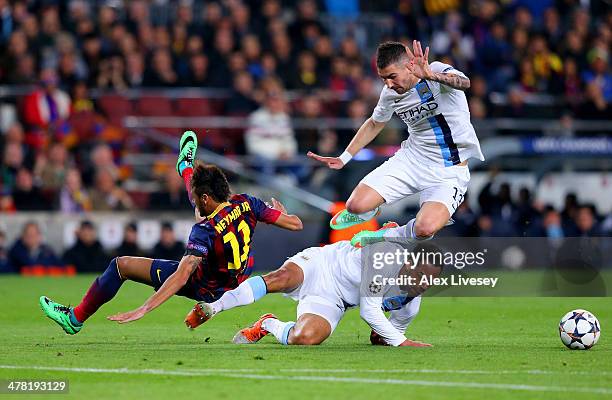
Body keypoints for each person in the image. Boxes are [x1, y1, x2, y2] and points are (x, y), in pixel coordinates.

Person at [40, 131, 303, 334]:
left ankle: (74, 319)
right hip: (239, 274)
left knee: (120, 266)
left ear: (207, 197)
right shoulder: (248, 202)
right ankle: (185, 167)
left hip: (206, 287)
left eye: (200, 195)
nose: (197, 198)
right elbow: (295, 224)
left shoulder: (204, 230)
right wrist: (281, 212)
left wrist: (145, 307)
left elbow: (182, 275)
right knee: (203, 209)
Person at [308, 41, 484, 244]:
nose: (389, 84)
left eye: (392, 77)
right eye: (383, 79)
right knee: (355, 205)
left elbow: (465, 82)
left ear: (409, 66)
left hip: (449, 170)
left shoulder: (435, 71)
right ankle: (366, 212)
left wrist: (431, 76)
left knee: (425, 229)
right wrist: (344, 157)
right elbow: (374, 123)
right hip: (412, 160)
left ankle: (388, 233)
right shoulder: (390, 93)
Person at [185, 233, 442, 347]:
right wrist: (401, 342)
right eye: (420, 275)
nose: (422, 284)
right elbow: (370, 311)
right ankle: (214, 306)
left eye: (429, 282)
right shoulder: (386, 258)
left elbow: (386, 334)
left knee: (305, 338)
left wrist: (386, 337)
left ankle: (267, 325)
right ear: (409, 262)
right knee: (281, 278)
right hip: (322, 264)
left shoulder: (410, 303)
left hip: (334, 300)